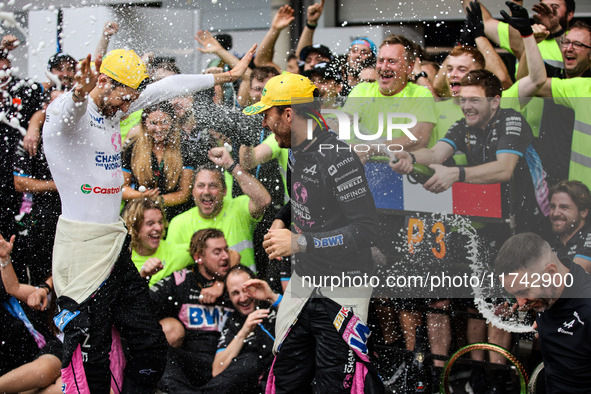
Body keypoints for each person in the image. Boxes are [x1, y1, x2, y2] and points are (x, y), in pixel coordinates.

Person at [42, 43, 255, 393]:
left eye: (132, 99)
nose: (130, 108)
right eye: (126, 97)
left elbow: (166, 87)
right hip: (81, 251)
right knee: (90, 354)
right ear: (104, 82)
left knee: (150, 349)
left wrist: (225, 76)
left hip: (115, 245)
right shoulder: (67, 116)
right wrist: (79, 92)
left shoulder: (115, 105)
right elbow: (69, 111)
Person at [243, 73, 383, 392]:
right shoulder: (296, 149)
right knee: (286, 374)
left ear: (289, 114)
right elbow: (302, 196)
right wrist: (281, 218)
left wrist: (300, 242)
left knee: (336, 384)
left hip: (343, 286)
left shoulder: (338, 157)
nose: (264, 123)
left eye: (268, 114)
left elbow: (366, 230)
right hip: (304, 282)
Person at [495, 232, 591, 393]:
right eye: (514, 295)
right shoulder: (550, 295)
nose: (520, 302)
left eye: (524, 290)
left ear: (551, 273)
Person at [149, 228, 234, 392]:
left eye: (226, 249)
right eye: (217, 252)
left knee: (252, 361)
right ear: (198, 257)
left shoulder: (236, 279)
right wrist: (144, 277)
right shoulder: (181, 281)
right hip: (191, 362)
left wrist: (223, 284)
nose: (225, 256)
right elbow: (145, 306)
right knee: (159, 352)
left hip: (227, 361)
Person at [166, 156, 271, 270]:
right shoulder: (178, 224)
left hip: (244, 285)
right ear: (193, 192)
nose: (206, 192)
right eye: (201, 186)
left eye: (213, 186)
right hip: (203, 287)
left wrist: (231, 166)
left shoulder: (238, 209)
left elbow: (263, 200)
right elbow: (173, 270)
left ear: (224, 191)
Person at [200, 265, 279, 393]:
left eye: (247, 290)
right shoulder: (234, 323)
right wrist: (244, 332)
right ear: (229, 297)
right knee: (251, 361)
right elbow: (217, 370)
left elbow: (302, 316)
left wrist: (272, 297)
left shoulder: (273, 301)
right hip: (261, 386)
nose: (243, 298)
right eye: (235, 293)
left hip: (294, 373)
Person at [122, 102, 194, 220]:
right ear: (145, 124)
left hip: (172, 214)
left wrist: (158, 200)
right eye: (153, 123)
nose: (159, 128)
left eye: (164, 122)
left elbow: (184, 194)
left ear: (172, 123)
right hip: (137, 213)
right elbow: (123, 189)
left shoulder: (184, 147)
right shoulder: (132, 147)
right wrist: (142, 196)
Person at [547, 180, 591, 272]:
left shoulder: (588, 236)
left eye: (564, 207)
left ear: (583, 212)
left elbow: (577, 272)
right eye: (552, 206)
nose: (555, 213)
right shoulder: (549, 243)